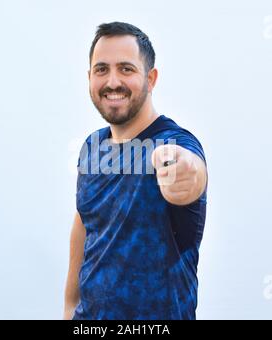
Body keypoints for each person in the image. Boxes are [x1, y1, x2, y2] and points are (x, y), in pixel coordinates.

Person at [64, 22, 208, 320]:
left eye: (126, 69)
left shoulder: (174, 143)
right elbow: (85, 220)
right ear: (90, 77)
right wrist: (68, 307)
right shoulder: (92, 146)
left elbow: (192, 172)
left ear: (150, 78)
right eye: (102, 69)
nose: (112, 81)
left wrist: (184, 171)